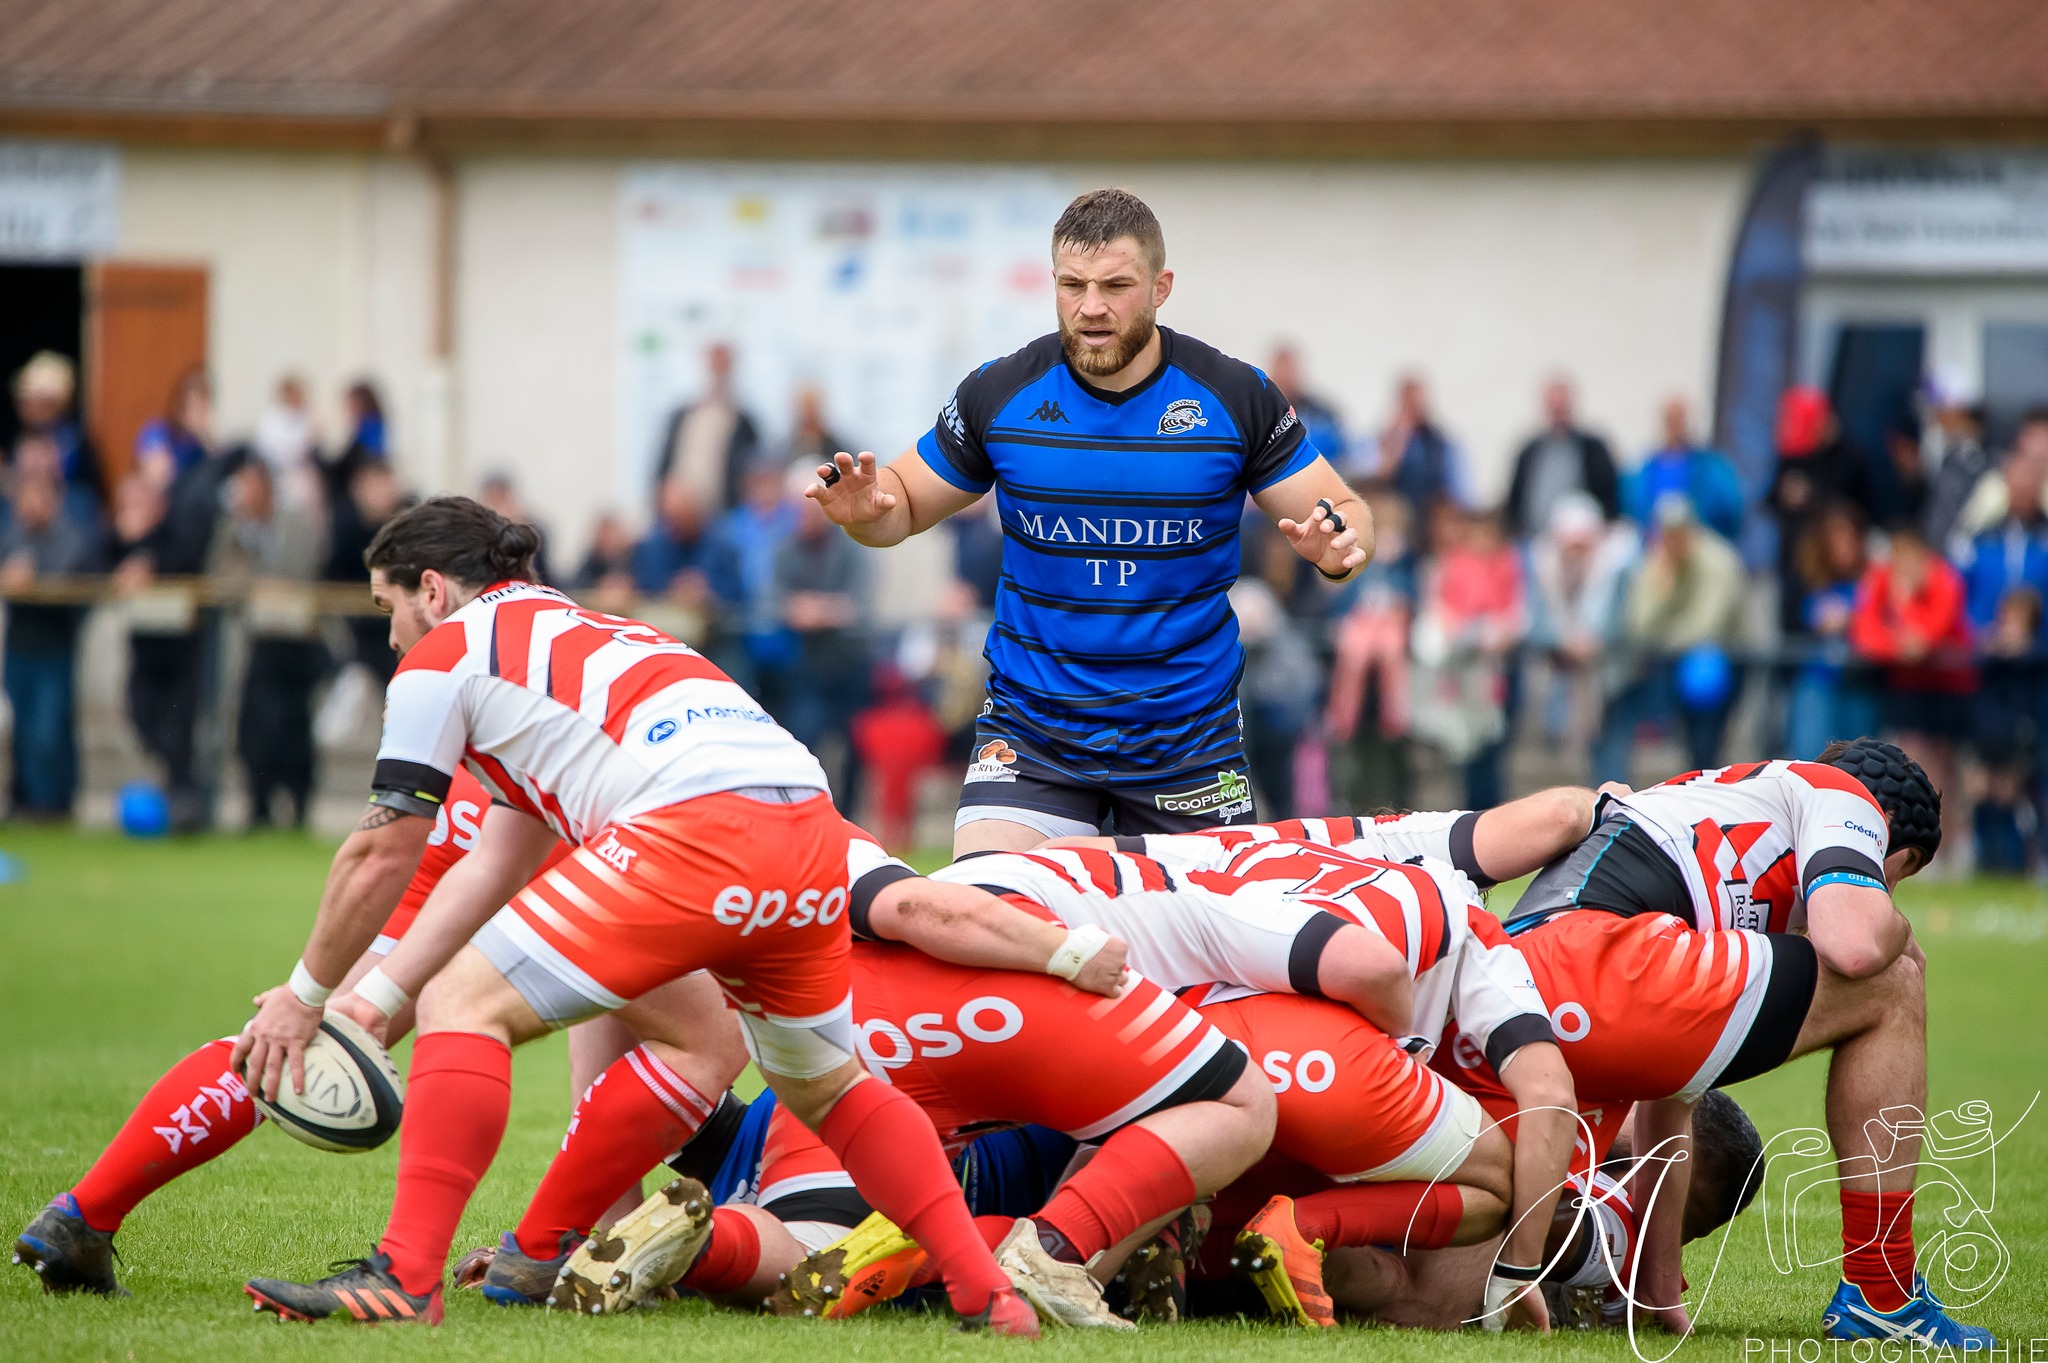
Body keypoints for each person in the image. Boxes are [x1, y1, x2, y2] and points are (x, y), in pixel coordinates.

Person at [230, 497, 1036, 1333]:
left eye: (386, 607)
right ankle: (988, 1292)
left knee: (462, 1005)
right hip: (807, 824)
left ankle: (404, 1277)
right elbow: (495, 859)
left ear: (430, 590)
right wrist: (369, 1001)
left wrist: (305, 991)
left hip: (696, 823)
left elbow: (384, 847)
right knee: (829, 1085)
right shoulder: (583, 639)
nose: (391, 635)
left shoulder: (444, 655)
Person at [805, 188, 1369, 854]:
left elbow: (1348, 514)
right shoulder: (1002, 392)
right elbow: (896, 505)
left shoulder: (1233, 395)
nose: (1091, 307)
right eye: (1072, 285)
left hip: (1186, 737)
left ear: (1160, 287)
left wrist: (1337, 549)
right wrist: (864, 514)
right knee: (990, 906)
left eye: (1115, 285)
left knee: (1211, 947)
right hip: (1033, 731)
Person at [1505, 742, 1990, 1346]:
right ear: (1888, 837)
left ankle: (1601, 1274)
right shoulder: (1844, 796)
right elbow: (1857, 943)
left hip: (1522, 994)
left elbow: (1670, 1093)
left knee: (1466, 1256)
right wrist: (1900, 932)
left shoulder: (1722, 814)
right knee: (1893, 982)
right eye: (1895, 875)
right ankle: (1881, 1287)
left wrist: (1657, 1292)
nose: (1883, 888)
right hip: (1590, 964)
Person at [207, 460, 330, 828]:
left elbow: (305, 568)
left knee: (295, 729)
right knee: (253, 729)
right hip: (256, 642)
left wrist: (265, 581)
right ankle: (258, 805)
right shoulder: (234, 529)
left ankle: (298, 806)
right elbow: (219, 575)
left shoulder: (294, 524)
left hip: (296, 641)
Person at [1592, 495, 1745, 786]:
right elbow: (1639, 624)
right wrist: (1664, 586)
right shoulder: (1657, 561)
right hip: (1672, 665)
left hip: (1721, 663)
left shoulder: (1718, 560)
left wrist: (1664, 637)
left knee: (1707, 744)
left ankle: (1709, 803)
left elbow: (1707, 626)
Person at [1848, 529, 1972, 867]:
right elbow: (1865, 633)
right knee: (1917, 764)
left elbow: (1933, 632)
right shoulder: (1882, 580)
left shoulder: (1944, 580)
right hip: (1908, 686)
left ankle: (1953, 848)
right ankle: (1928, 849)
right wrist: (1900, 642)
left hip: (1949, 685)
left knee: (1945, 765)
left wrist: (1905, 610)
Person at [0, 468, 101, 817]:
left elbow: (75, 583)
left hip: (54, 647)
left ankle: (54, 803)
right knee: (24, 729)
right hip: (19, 646)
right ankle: (26, 799)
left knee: (49, 729)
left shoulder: (70, 538)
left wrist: (34, 579)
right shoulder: (12, 536)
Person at [1410, 506, 1522, 809]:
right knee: (1469, 749)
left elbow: (1514, 616)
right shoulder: (1453, 565)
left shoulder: (1508, 565)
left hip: (1496, 671)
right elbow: (1444, 612)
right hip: (1463, 672)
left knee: (1492, 748)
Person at [774, 484, 872, 806]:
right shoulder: (785, 550)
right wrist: (824, 609)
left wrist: (813, 610)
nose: (807, 518)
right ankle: (807, 811)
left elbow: (858, 606)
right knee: (803, 740)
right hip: (807, 666)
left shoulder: (852, 548)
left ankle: (850, 817)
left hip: (851, 663)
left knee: (855, 748)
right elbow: (775, 603)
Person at [1522, 492, 1636, 759]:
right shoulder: (1543, 566)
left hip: (1611, 671)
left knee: (1610, 743)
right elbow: (1534, 619)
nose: (1576, 553)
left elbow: (1628, 618)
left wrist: (1598, 640)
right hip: (1560, 668)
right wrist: (1563, 641)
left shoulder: (1618, 566)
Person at [1784, 502, 1877, 762]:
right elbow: (1795, 622)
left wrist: (1855, 620)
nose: (1843, 546)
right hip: (1818, 683)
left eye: (1849, 537)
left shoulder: (1874, 581)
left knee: (1861, 766)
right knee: (1813, 761)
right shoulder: (1806, 581)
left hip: (1861, 684)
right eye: (1835, 538)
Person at [1504, 378, 1620, 543]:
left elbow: (1608, 494)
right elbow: (1515, 498)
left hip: (1581, 545)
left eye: (1561, 407)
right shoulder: (1529, 451)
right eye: (1553, 407)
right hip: (1535, 540)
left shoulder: (1593, 449)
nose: (1557, 412)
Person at [654, 342, 762, 513]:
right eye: (714, 362)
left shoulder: (743, 421)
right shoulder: (683, 415)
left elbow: (752, 470)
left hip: (723, 511)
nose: (718, 370)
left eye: (723, 363)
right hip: (681, 511)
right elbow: (664, 464)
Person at [1623, 396, 1744, 545]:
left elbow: (1731, 511)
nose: (1675, 425)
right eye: (1670, 419)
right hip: (1653, 549)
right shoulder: (1643, 471)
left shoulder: (1713, 468)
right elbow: (1632, 512)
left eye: (1679, 419)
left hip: (1699, 545)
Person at [11, 351, 103, 526]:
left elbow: (63, 485)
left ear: (53, 402)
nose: (22, 405)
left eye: (30, 399)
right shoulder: (25, 436)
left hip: (66, 522)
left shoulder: (74, 440)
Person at [1363, 375, 1471, 517]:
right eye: (1408, 403)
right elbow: (1379, 474)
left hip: (1431, 513)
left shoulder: (1443, 445)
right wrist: (1397, 438)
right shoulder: (1383, 439)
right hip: (1398, 513)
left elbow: (1458, 492)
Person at [1267, 344, 1346, 470]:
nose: (1285, 377)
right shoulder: (1259, 412)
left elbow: (1339, 447)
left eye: (1289, 373)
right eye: (1280, 376)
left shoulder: (1321, 413)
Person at [133, 369, 213, 489]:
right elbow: (157, 478)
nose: (201, 414)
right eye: (196, 407)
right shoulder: (158, 431)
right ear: (181, 406)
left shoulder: (199, 446)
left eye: (204, 406)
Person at [254, 374, 319, 477]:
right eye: (295, 394)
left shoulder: (308, 418)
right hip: (275, 472)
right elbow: (271, 451)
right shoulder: (271, 420)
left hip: (302, 474)